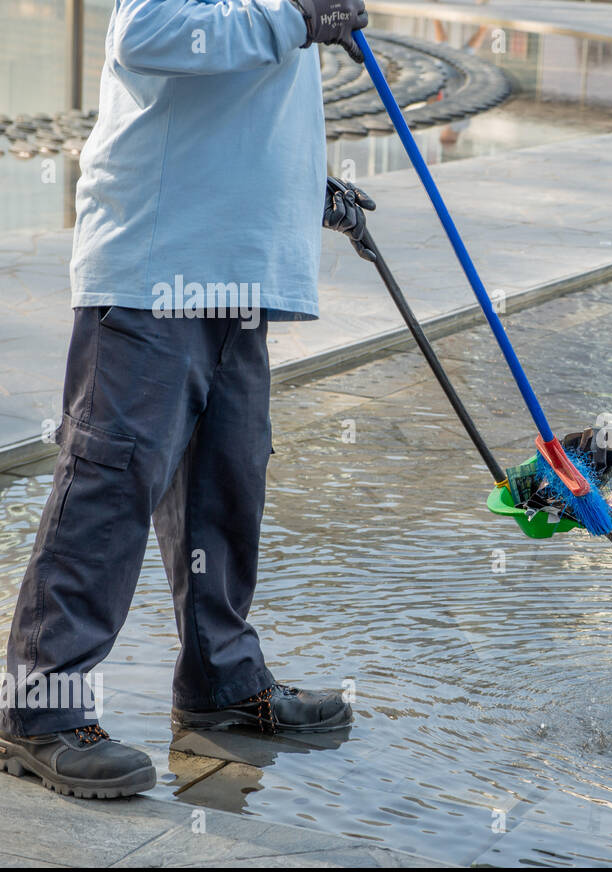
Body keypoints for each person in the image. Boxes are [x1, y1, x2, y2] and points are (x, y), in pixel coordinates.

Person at [0, 0, 378, 800]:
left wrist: (303, 180)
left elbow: (243, 98)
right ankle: (40, 708)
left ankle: (222, 683)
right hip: (156, 261)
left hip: (237, 267)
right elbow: (147, 33)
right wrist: (294, 18)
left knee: (226, 482)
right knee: (112, 478)